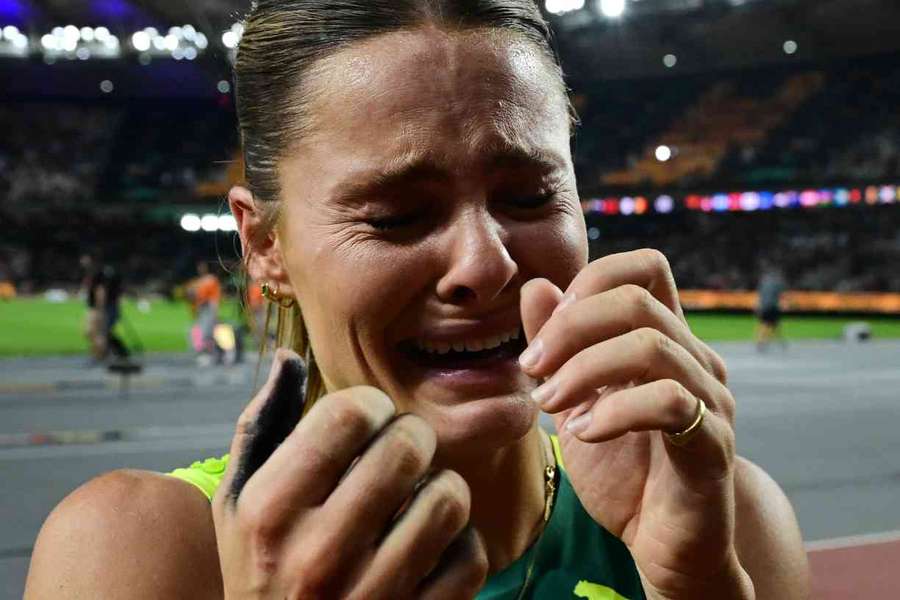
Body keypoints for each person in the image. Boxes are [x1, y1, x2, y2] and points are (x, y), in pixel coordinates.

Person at [25, 2, 809, 599]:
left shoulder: (725, 517)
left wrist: (699, 586)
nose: (485, 264)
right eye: (397, 216)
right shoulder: (141, 552)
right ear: (266, 244)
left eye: (532, 196)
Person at [755, 262, 787, 352]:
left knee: (767, 325)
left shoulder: (763, 283)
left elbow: (759, 296)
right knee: (772, 325)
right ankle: (764, 341)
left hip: (764, 307)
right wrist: (784, 304)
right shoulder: (778, 283)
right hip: (772, 307)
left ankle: (763, 341)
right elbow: (782, 296)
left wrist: (757, 306)